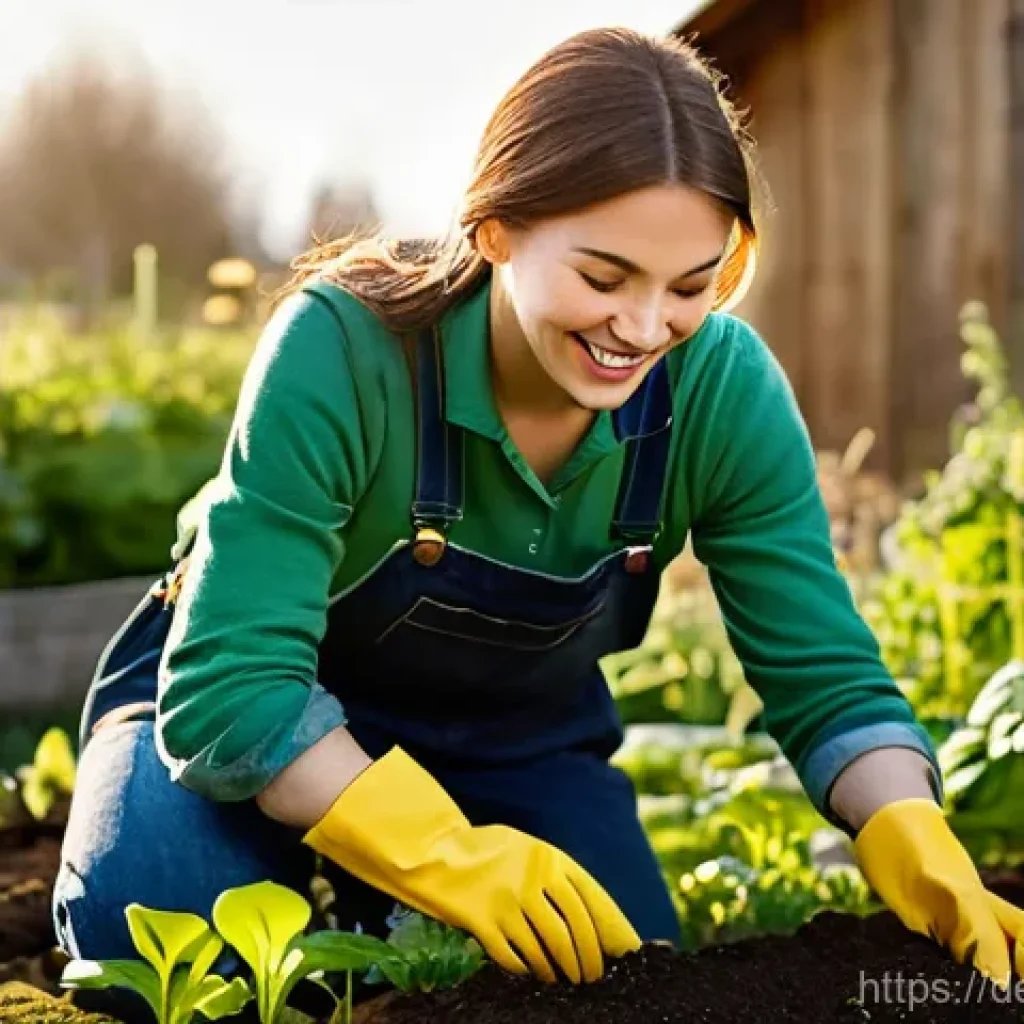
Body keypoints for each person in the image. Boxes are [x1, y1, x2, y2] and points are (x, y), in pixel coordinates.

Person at [54, 26, 1023, 1017]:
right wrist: (442, 854)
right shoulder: (344, 349)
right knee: (163, 939)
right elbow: (233, 693)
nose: (643, 329)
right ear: (495, 227)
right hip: (236, 715)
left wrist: (906, 822)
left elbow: (822, 672)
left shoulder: (722, 393)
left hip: (511, 741)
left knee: (626, 981)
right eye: (603, 279)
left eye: (689, 286)